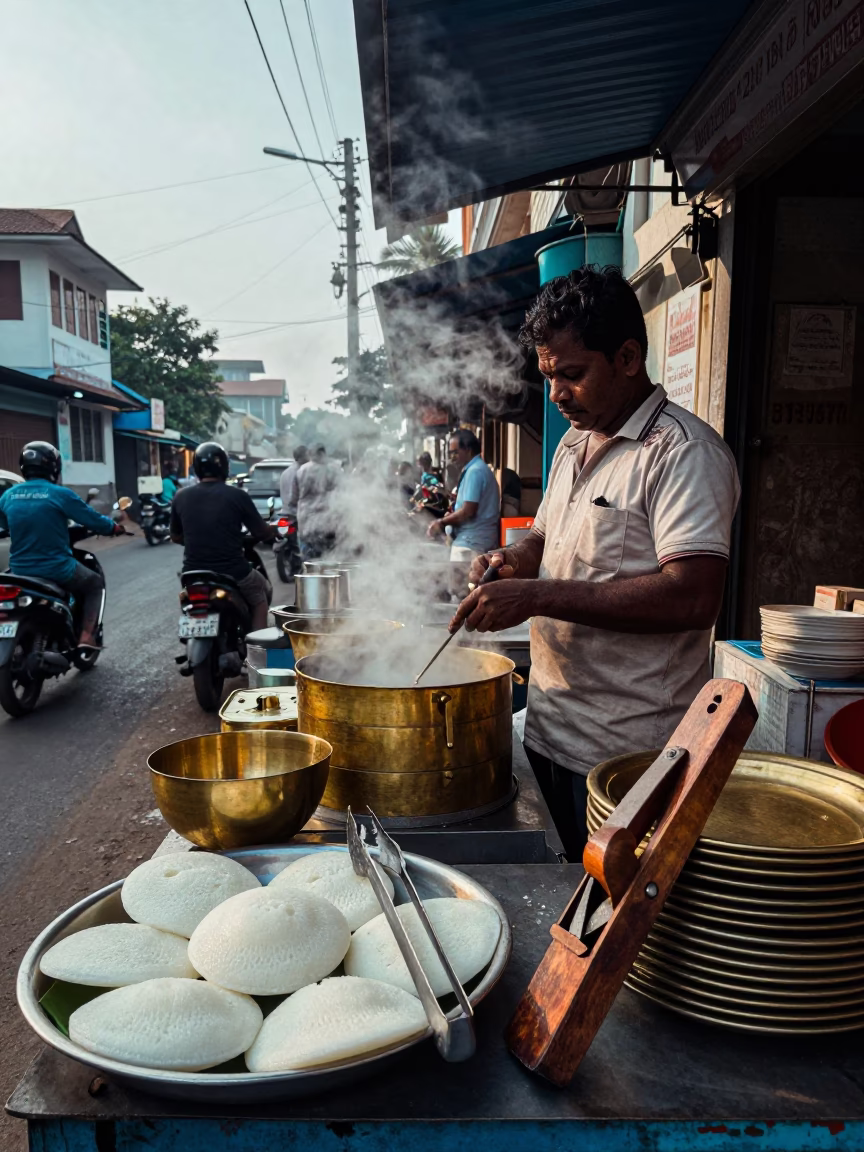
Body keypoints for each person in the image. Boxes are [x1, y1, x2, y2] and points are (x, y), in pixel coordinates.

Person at [450, 266, 740, 860]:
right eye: (549, 376)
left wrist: (536, 597)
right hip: (548, 728)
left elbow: (692, 596)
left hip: (628, 755)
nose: (556, 394)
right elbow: (543, 538)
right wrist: (509, 559)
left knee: (609, 932)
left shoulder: (684, 454)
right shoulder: (574, 443)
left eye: (573, 375)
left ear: (629, 358)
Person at [0, 441, 124, 649]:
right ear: (53, 468)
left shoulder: (8, 496)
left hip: (20, 570)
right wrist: (113, 528)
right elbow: (92, 519)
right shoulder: (60, 494)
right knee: (94, 584)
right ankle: (86, 636)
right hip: (57, 568)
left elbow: (3, 526)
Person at [170, 441, 276, 631]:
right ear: (225, 467)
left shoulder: (180, 496)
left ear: (197, 469)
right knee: (260, 593)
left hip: (193, 574)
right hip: (234, 572)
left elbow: (176, 536)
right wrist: (273, 531)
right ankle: (257, 653)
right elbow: (260, 532)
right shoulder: (237, 495)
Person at [427, 429, 500, 599]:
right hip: (474, 541)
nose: (452, 457)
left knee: (461, 595)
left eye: (454, 452)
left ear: (467, 449)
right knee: (465, 595)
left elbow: (468, 510)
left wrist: (442, 522)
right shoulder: (477, 469)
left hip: (470, 544)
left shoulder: (475, 471)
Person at [296, 445, 339, 558]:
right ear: (323, 454)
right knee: (329, 554)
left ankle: (311, 572)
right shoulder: (334, 469)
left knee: (309, 555)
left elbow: (295, 495)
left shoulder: (303, 470)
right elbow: (341, 492)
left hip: (307, 518)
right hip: (328, 519)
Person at [279, 445, 309, 521]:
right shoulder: (300, 473)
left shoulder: (286, 472)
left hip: (286, 512)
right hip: (297, 515)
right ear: (303, 457)